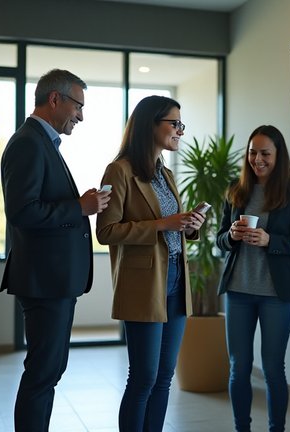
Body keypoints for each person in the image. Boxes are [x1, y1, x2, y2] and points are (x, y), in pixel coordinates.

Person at [0, 68, 111, 432]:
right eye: (78, 105)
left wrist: (82, 204)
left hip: (53, 280)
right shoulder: (28, 143)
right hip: (45, 281)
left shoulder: (42, 142)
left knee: (48, 371)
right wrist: (79, 208)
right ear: (55, 99)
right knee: (43, 373)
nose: (80, 115)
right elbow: (22, 212)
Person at [95, 95, 205, 432]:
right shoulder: (119, 170)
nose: (180, 131)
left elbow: (172, 227)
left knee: (163, 377)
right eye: (175, 124)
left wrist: (190, 226)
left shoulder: (166, 173)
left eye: (180, 124)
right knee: (143, 377)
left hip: (174, 278)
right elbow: (106, 231)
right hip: (143, 284)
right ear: (150, 125)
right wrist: (162, 225)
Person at [216, 125, 290, 432]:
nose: (258, 160)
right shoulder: (236, 190)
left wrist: (270, 241)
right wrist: (231, 236)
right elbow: (219, 238)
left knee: (274, 369)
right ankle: (242, 429)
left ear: (278, 155)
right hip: (238, 290)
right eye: (253, 153)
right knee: (239, 368)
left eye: (265, 153)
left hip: (277, 294)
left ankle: (276, 428)